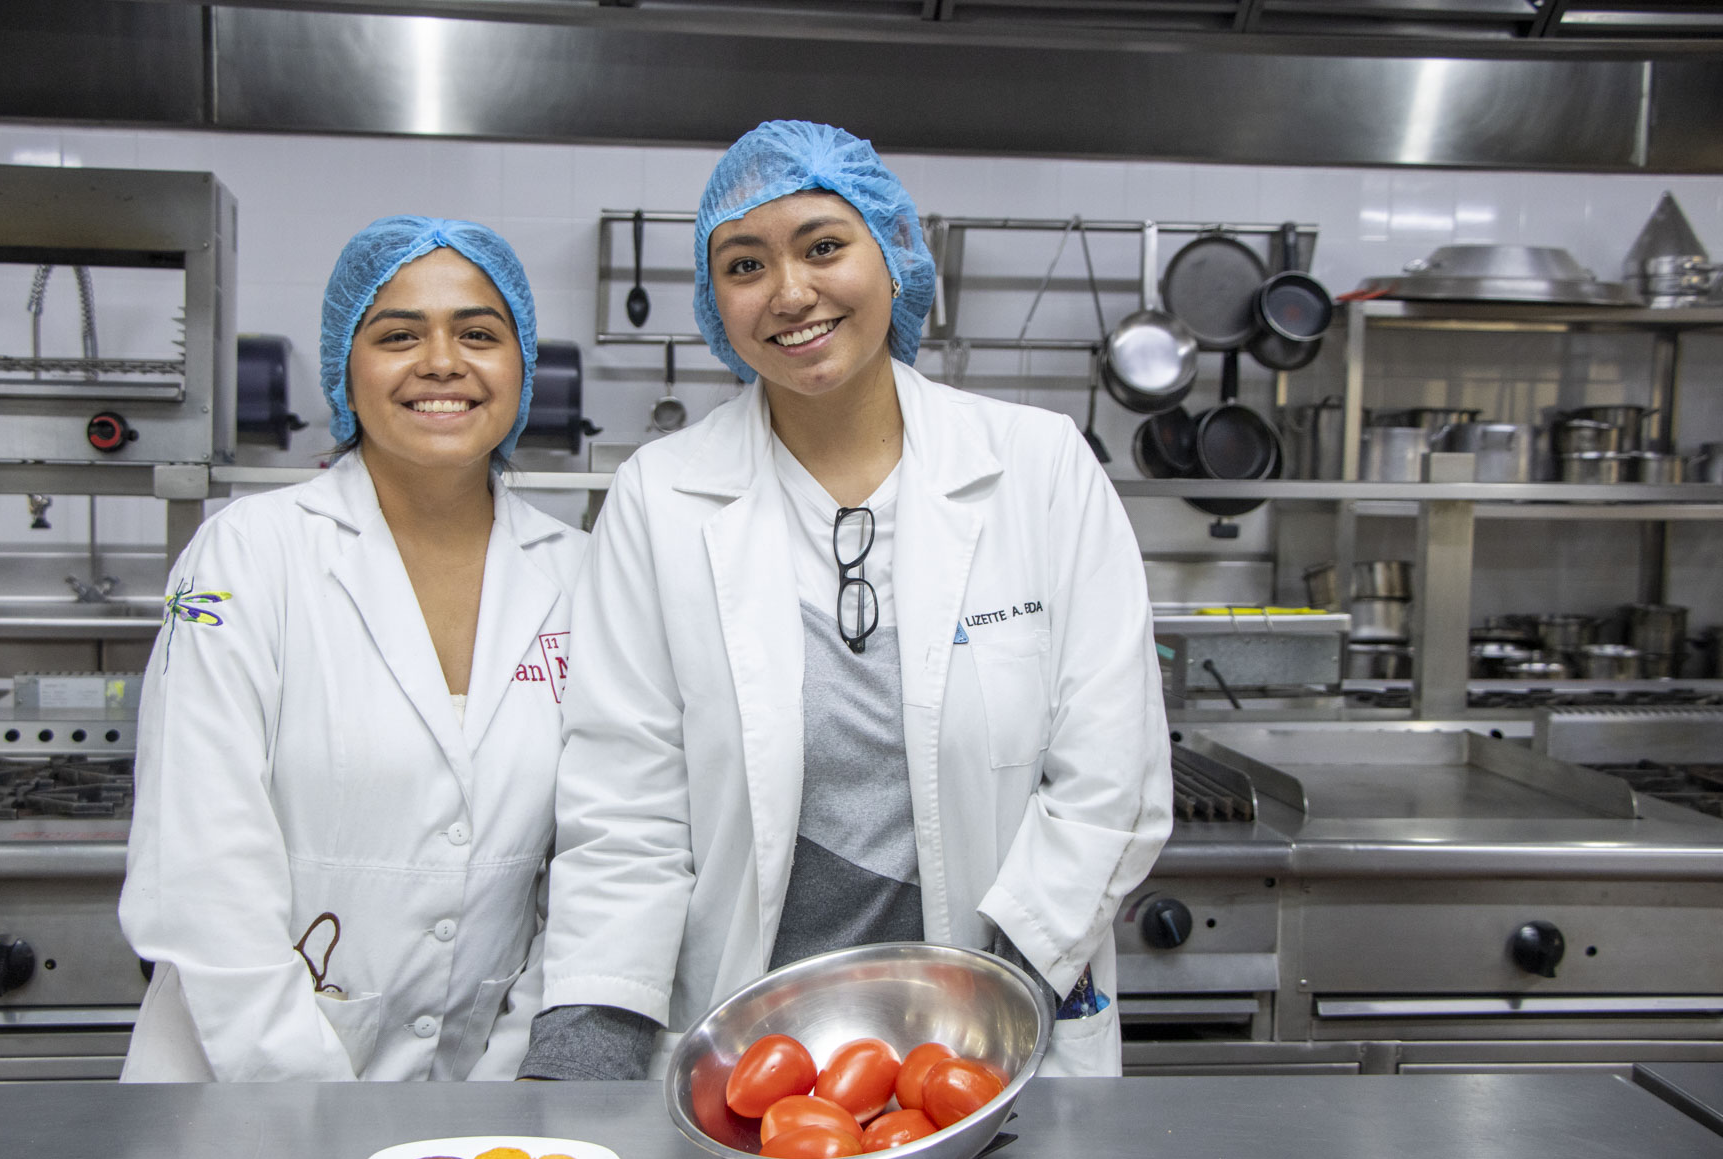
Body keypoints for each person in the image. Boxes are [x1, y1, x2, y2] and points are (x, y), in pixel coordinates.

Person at [520, 122, 1171, 1082]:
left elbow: (1111, 777)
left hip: (995, 1039)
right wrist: (590, 1039)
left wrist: (996, 998)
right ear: (716, 302)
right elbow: (627, 799)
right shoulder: (661, 496)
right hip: (754, 1062)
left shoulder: (1038, 469)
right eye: (746, 265)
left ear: (896, 258)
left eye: (825, 246)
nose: (790, 292)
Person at [119, 217, 583, 1081]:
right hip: (240, 1095)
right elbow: (201, 866)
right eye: (399, 334)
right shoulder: (248, 555)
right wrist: (318, 1108)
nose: (442, 361)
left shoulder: (583, 578)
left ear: (522, 367)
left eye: (479, 333)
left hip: (479, 1112)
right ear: (346, 366)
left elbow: (589, 866)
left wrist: (510, 1084)